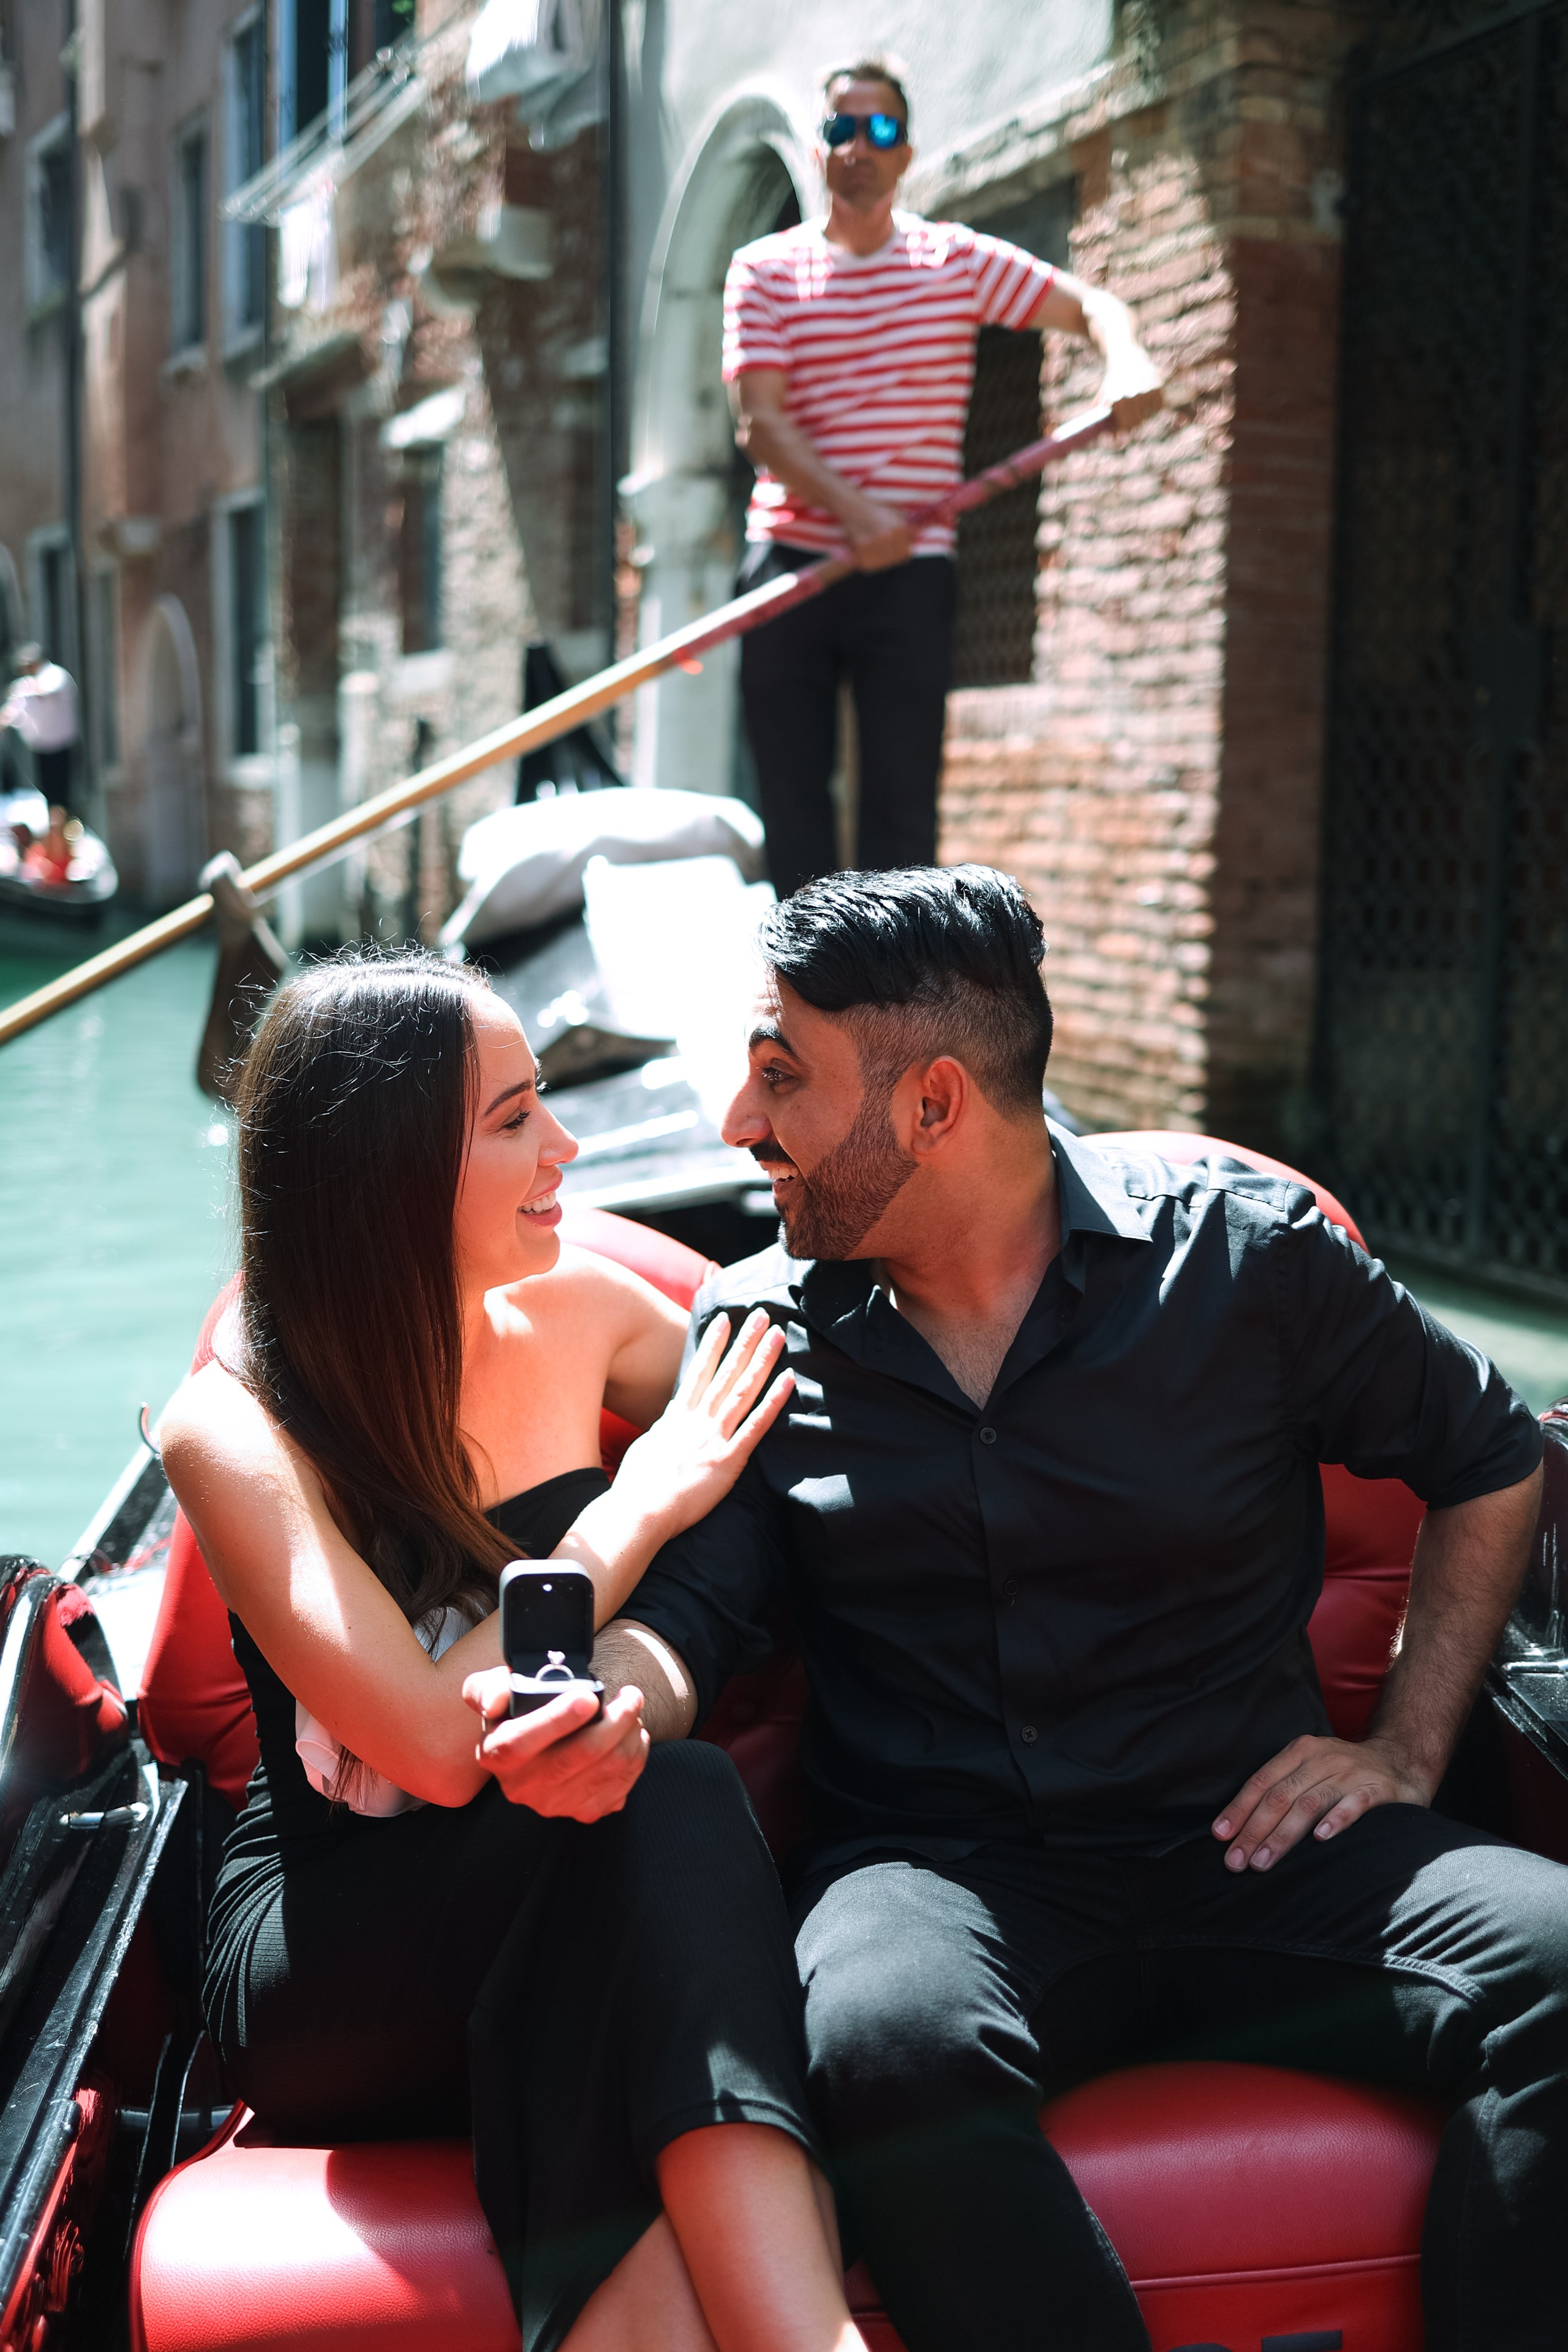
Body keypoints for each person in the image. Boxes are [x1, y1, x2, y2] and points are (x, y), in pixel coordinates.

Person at [569, 864, 1568, 2352]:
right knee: (881, 2039)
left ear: (934, 1104)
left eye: (779, 1076)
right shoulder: (758, 1323)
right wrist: (609, 1701)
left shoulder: (1248, 1254)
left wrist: (1405, 1749)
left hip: (1258, 1845)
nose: (734, 1123)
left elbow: (1488, 1455)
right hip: (941, 1873)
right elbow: (685, 1626)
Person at [158, 948, 872, 2352]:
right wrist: (637, 1504)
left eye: (545, 1101)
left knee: (635, 1810)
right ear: (388, 1169)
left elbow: (797, 1413)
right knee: (661, 1800)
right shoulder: (230, 1427)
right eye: (511, 1119)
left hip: (569, 1870)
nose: (567, 1146)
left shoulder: (584, 1313)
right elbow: (436, 1747)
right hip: (335, 1948)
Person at [725, 61, 1163, 900]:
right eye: (840, 129)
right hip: (789, 559)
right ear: (817, 150)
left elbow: (1092, 308)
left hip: (912, 566)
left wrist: (1127, 361)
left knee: (902, 814)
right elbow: (762, 426)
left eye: (881, 129)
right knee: (793, 805)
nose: (859, 146)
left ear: (907, 151)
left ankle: (897, 979)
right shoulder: (763, 270)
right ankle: (805, 976)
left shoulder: (954, 262)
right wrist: (857, 513)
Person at [1, 643, 80, 810]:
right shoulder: (24, 685)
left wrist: (24, 689)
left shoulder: (55, 674)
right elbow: (11, 712)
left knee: (64, 793)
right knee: (47, 793)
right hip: (41, 749)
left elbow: (46, 691)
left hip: (62, 746)